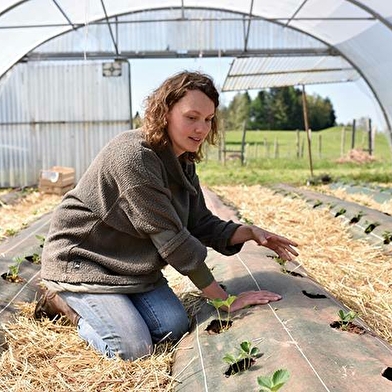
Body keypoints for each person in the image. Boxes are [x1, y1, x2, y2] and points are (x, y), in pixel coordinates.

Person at [35, 71, 298, 360]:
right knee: (133, 348)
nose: (202, 128)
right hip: (84, 259)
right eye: (192, 117)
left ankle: (114, 305)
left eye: (208, 120)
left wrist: (248, 232)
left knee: (173, 327)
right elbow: (171, 237)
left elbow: (199, 223)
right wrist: (225, 300)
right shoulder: (134, 157)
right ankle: (62, 302)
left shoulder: (182, 162)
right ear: (165, 113)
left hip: (129, 264)